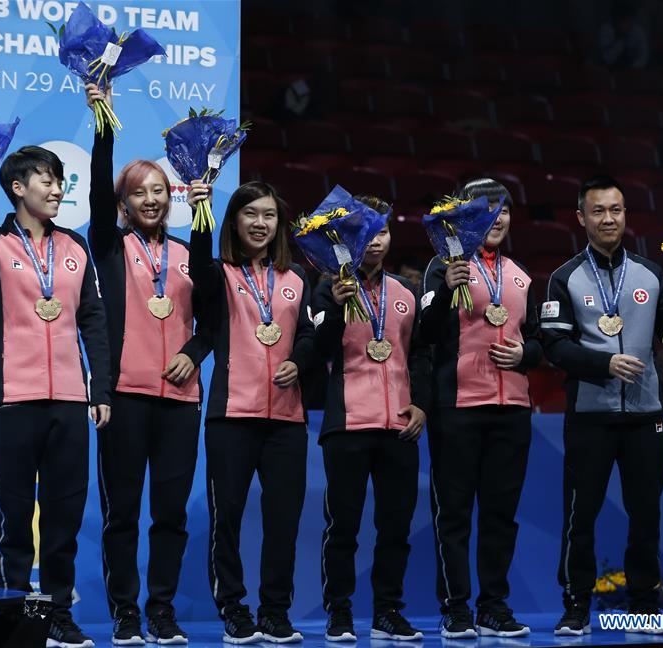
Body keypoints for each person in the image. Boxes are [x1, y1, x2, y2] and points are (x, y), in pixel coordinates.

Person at [0, 147, 111, 648]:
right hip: (10, 399)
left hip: (67, 400)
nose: (59, 189)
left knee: (63, 519)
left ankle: (59, 614)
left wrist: (98, 388)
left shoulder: (76, 246)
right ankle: (14, 615)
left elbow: (93, 321)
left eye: (60, 181)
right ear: (18, 188)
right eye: (47, 180)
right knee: (15, 521)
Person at [541, 176, 663, 636]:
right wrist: (604, 363)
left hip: (645, 416)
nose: (608, 218)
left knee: (646, 513)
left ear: (626, 215)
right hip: (590, 417)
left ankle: (643, 607)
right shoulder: (564, 278)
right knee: (581, 515)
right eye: (598, 210)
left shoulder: (652, 275)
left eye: (616, 209)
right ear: (581, 218)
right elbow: (553, 346)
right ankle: (575, 606)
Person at [85, 85, 211, 646]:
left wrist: (192, 354)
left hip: (181, 403)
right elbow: (94, 192)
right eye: (140, 192)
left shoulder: (188, 254)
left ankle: (161, 610)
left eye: (161, 190)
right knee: (123, 515)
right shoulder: (109, 247)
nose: (152, 199)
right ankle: (125, 612)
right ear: (124, 203)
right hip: (125, 396)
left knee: (171, 514)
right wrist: (103, 122)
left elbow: (215, 321)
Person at [187, 180, 314, 644]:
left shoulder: (297, 277)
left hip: (286, 418)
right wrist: (200, 215)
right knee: (229, 517)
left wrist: (300, 359)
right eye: (250, 215)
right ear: (234, 221)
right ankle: (234, 610)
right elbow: (197, 271)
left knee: (284, 520)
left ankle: (275, 612)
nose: (260, 224)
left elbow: (309, 334)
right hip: (231, 415)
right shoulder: (219, 273)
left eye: (269, 216)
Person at [420, 179, 541, 639]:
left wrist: (525, 356)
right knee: (452, 513)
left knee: (500, 513)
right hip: (457, 407)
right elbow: (425, 334)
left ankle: (494, 605)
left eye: (504, 209)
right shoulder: (442, 267)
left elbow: (543, 342)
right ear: (465, 218)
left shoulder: (522, 275)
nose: (497, 218)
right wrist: (450, 290)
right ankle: (455, 607)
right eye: (486, 210)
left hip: (512, 409)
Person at [312, 197, 430, 642]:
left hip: (400, 426)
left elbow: (418, 354)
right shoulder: (328, 288)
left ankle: (388, 611)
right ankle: (339, 613)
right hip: (347, 425)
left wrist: (422, 405)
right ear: (348, 238)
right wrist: (339, 309)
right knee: (343, 526)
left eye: (381, 232)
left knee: (395, 527)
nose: (375, 242)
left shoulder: (406, 291)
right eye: (366, 233)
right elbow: (317, 352)